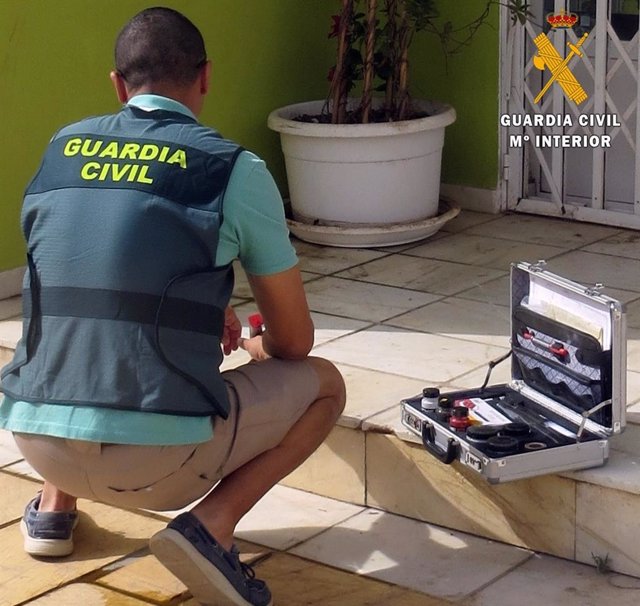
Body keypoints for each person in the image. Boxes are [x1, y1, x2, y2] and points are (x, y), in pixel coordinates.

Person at [0, 7, 345, 606]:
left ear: (117, 85)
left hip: (32, 438)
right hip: (154, 469)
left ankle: (55, 510)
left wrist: (197, 308)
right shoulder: (233, 169)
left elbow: (88, 272)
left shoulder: (61, 148)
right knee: (325, 385)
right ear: (206, 77)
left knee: (73, 331)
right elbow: (294, 342)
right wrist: (261, 347)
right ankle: (210, 528)